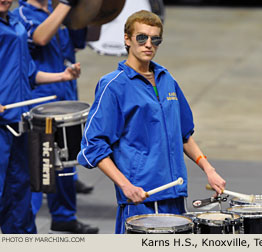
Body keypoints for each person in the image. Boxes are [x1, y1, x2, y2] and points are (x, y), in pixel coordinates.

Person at [77, 10, 226, 234]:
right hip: (141, 199)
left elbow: (184, 135)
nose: (149, 44)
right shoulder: (113, 86)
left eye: (155, 39)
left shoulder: (167, 80)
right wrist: (125, 186)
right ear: (127, 39)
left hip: (175, 194)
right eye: (142, 38)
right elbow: (93, 146)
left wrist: (209, 169)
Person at [13, 0, 98, 234]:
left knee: (67, 162)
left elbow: (81, 39)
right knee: (39, 167)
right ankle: (25, 227)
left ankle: (64, 216)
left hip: (66, 92)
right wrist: (66, 5)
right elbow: (40, 38)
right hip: (41, 99)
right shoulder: (22, 14)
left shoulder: (57, 9)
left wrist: (98, 9)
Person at [0, 0, 80, 234]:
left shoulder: (14, 22)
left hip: (19, 124)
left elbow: (28, 73)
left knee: (20, 194)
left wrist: (62, 77)